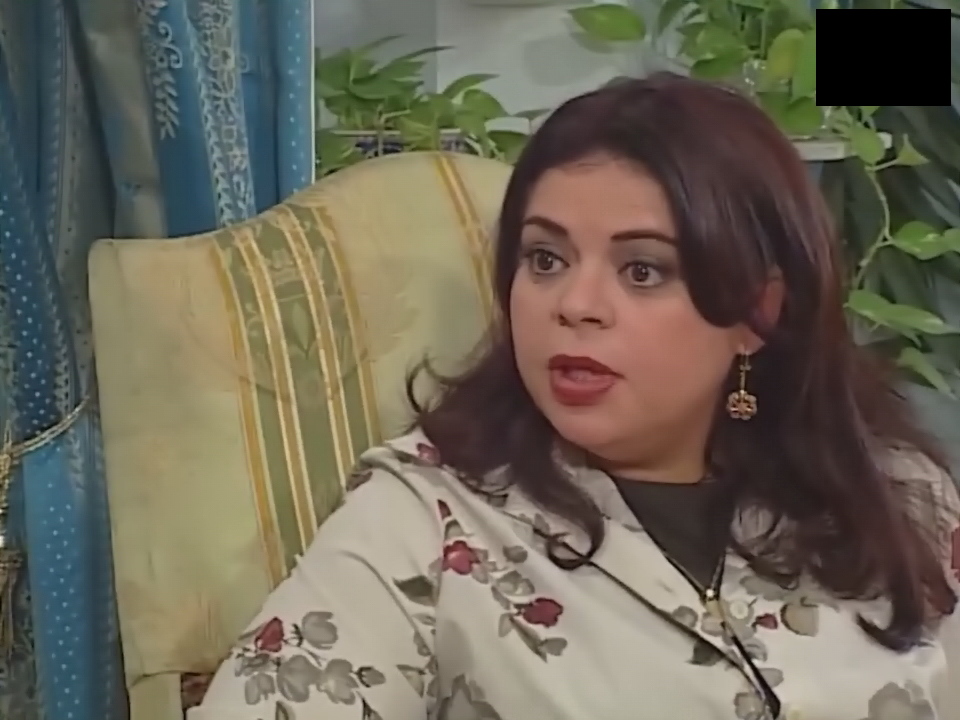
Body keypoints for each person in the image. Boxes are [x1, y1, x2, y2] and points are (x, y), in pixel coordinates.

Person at [191, 73, 960, 720]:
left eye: (642, 271)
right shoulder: (426, 520)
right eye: (546, 259)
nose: (575, 305)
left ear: (757, 313)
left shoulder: (902, 497)